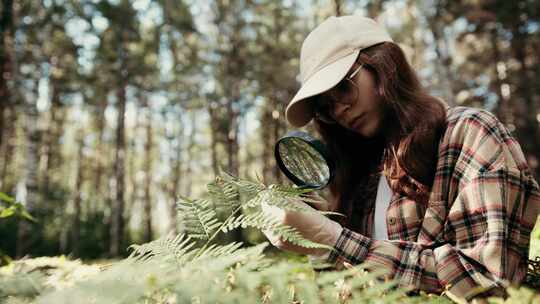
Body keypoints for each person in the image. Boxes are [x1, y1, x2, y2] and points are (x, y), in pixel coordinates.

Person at [261, 15, 540, 302]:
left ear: (384, 66)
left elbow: (488, 285)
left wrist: (334, 240)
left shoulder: (471, 134)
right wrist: (318, 238)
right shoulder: (364, 175)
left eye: (343, 88)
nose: (340, 110)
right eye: (325, 108)